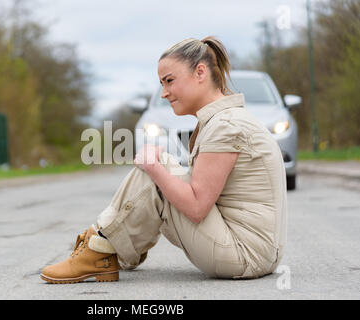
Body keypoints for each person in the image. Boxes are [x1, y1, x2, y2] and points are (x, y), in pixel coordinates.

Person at [40, 36, 287, 283]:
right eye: (162, 83)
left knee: (155, 173)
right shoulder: (226, 119)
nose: (164, 93)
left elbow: (197, 207)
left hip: (244, 254)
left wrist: (153, 168)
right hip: (256, 252)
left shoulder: (226, 126)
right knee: (163, 167)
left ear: (200, 72)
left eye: (169, 81)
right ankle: (106, 251)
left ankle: (98, 250)